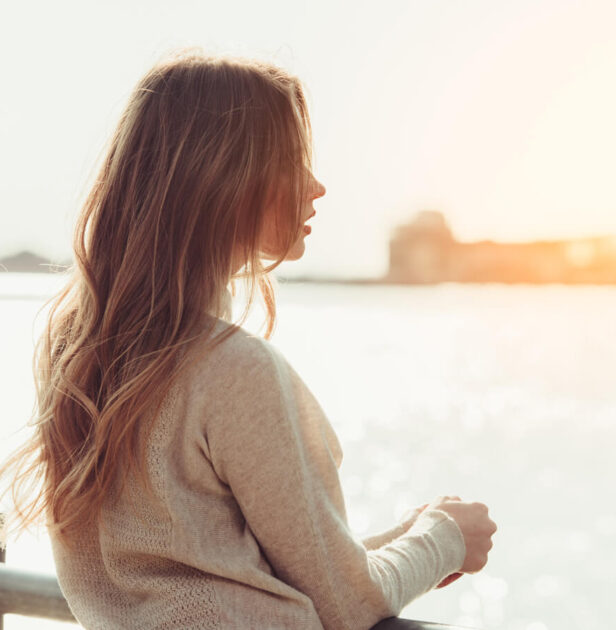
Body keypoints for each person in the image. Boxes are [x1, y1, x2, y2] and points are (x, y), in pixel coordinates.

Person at [0, 48, 497, 629]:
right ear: (223, 178)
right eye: (290, 162)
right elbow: (348, 604)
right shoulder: (233, 370)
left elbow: (242, 569)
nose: (317, 188)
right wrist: (445, 540)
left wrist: (408, 534)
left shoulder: (75, 351)